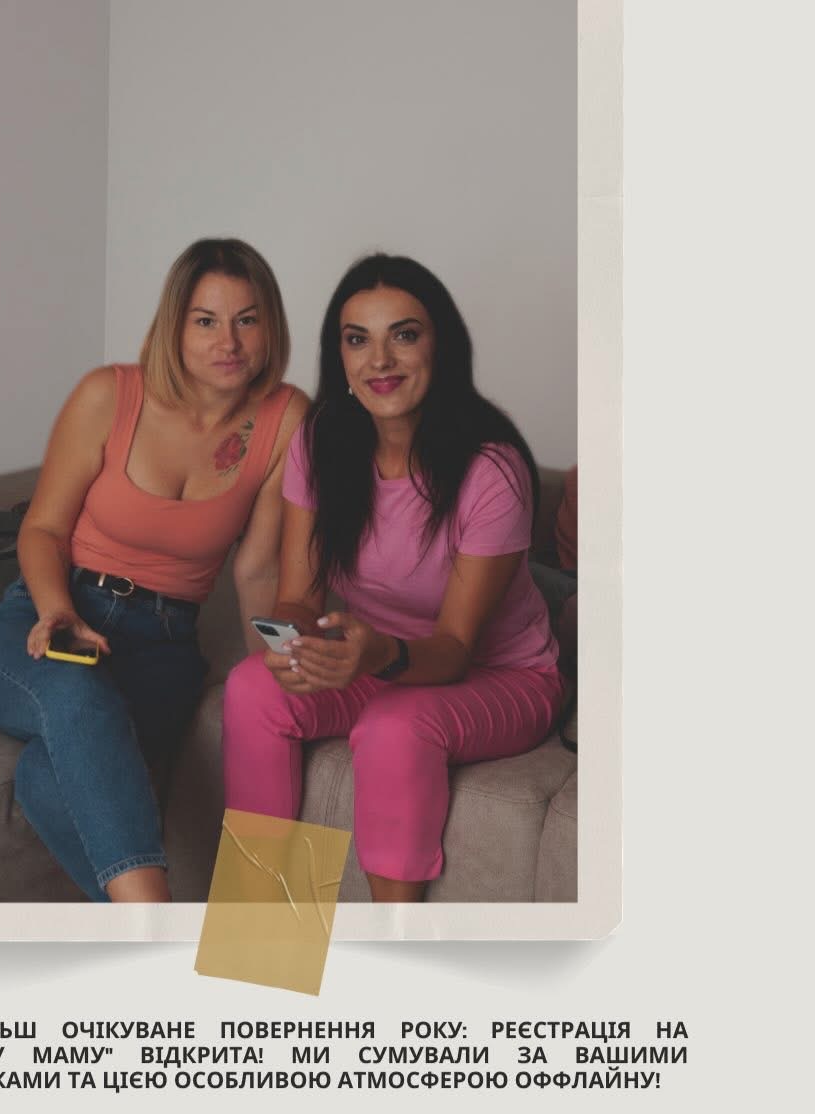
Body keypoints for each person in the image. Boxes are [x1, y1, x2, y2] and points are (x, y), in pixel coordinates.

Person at [0, 239, 308, 903]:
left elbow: (261, 565)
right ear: (174, 325)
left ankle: (171, 939)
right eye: (206, 320)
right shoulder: (109, 394)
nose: (229, 341)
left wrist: (273, 672)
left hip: (161, 647)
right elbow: (42, 529)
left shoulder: (286, 415)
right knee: (75, 690)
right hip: (47, 613)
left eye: (247, 319)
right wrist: (56, 610)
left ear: (270, 325)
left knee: (45, 779)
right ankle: (165, 932)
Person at [222, 254, 565, 902]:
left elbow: (455, 649)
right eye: (358, 340)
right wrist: (295, 644)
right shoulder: (320, 443)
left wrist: (378, 654)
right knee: (251, 687)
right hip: (376, 659)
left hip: (501, 675)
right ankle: (264, 934)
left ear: (441, 346)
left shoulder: (491, 468)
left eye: (403, 335)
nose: (379, 359)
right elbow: (297, 597)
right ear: (340, 357)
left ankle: (397, 944)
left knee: (393, 727)